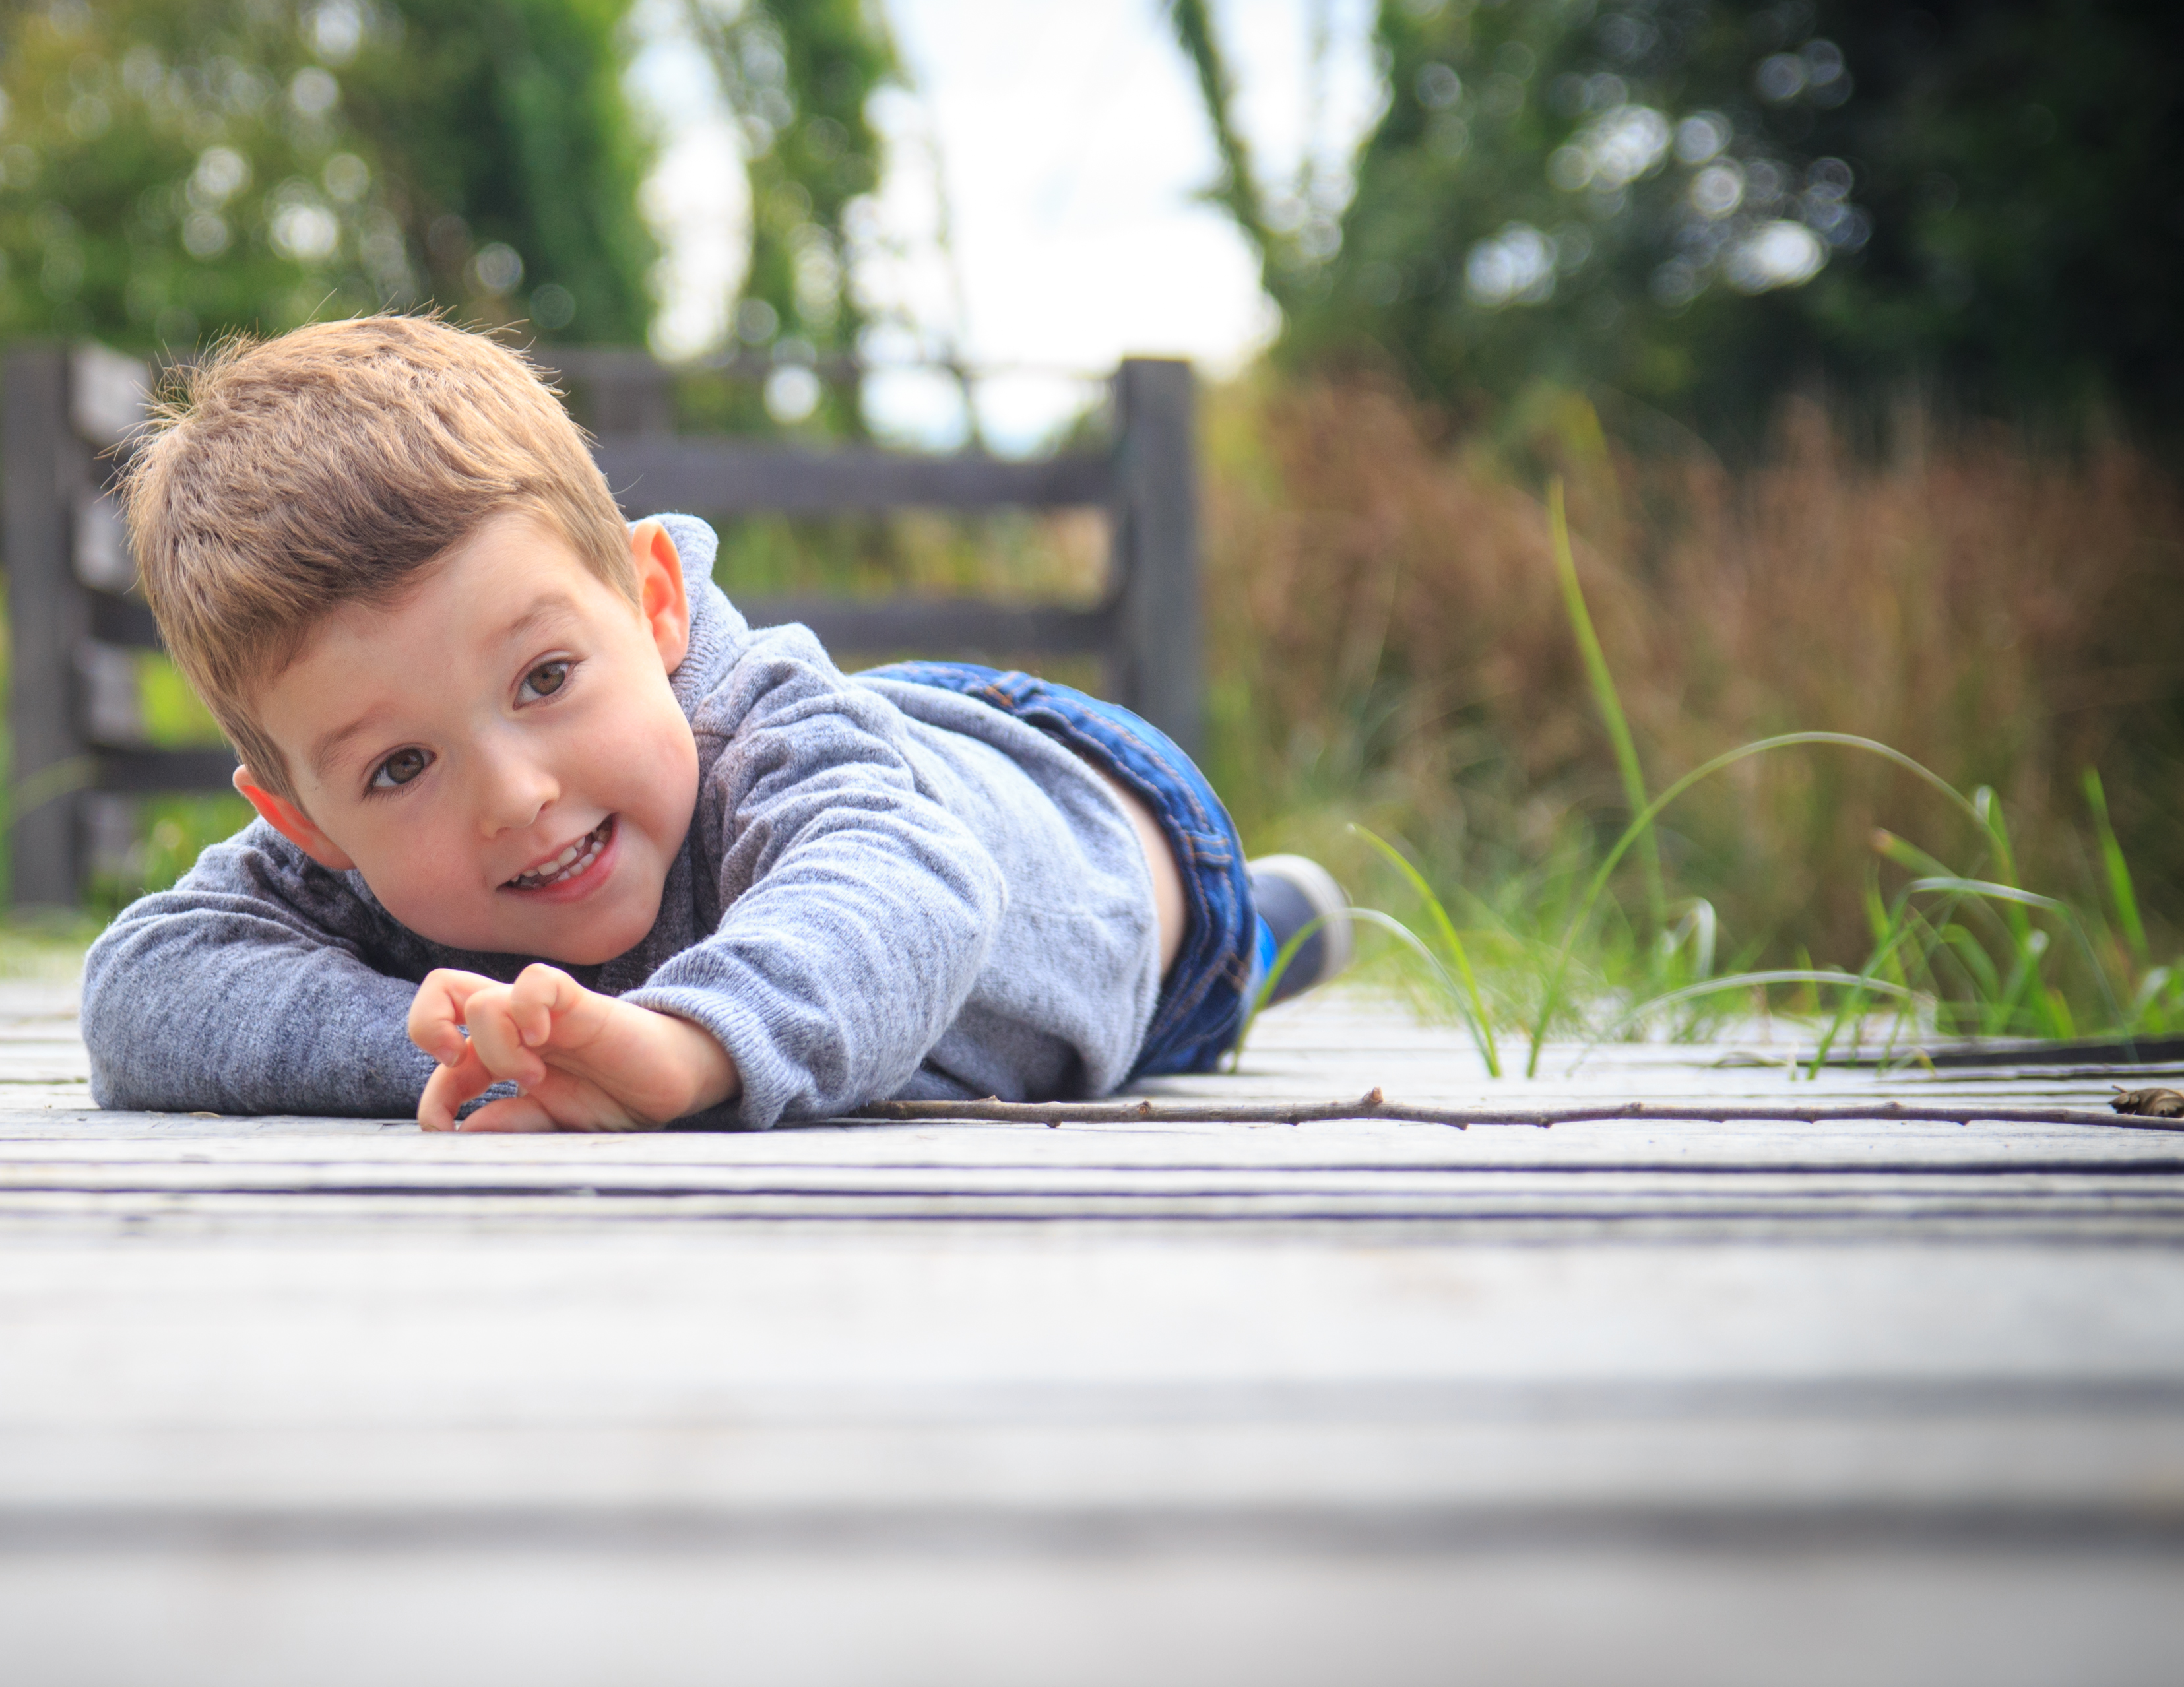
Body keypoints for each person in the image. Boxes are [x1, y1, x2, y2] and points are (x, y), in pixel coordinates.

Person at [80, 315, 1349, 1131]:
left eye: (544, 680)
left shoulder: (773, 745)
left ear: (655, 602)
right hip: (871, 748)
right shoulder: (344, 855)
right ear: (306, 822)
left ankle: (1267, 931)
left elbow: (904, 879)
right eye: (401, 767)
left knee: (1206, 975)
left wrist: (691, 1046)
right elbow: (142, 987)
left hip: (1091, 833)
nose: (514, 794)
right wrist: (461, 1048)